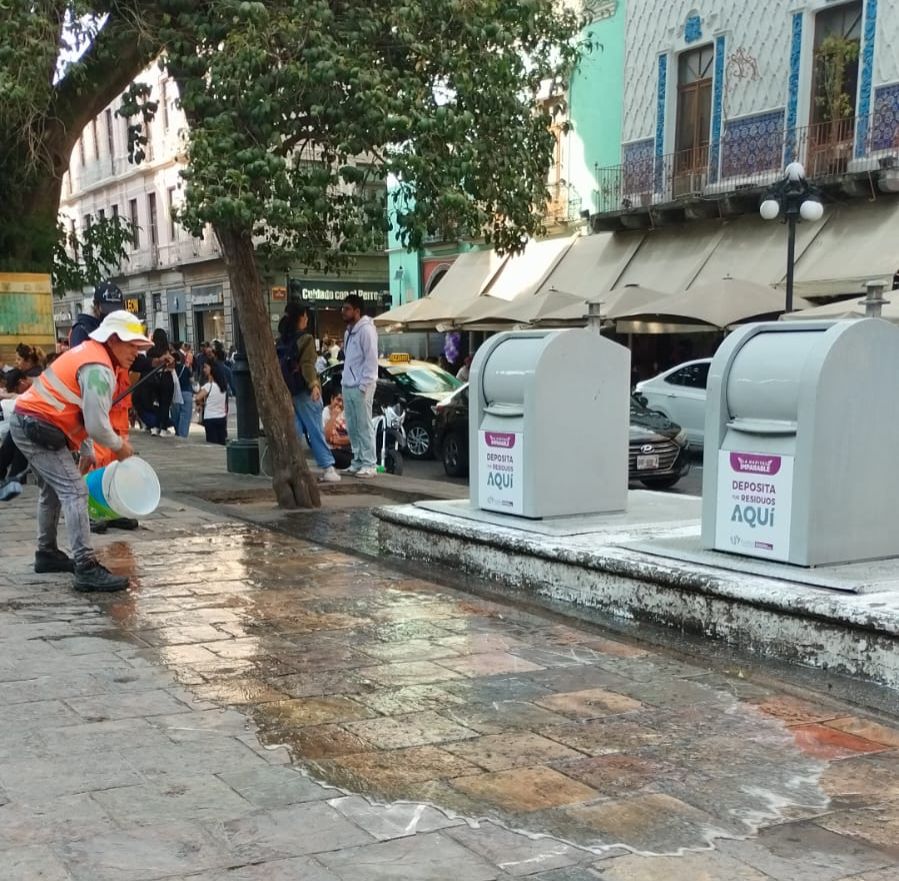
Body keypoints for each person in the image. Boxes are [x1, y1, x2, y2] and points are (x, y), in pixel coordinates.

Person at [9, 310, 153, 591]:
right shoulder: (99, 368)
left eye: (138, 346)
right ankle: (85, 566)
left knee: (53, 489)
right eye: (131, 345)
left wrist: (86, 448)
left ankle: (47, 553)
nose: (136, 352)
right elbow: (98, 425)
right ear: (112, 339)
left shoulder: (91, 354)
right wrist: (120, 447)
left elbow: (78, 409)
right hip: (35, 426)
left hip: (31, 421)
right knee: (75, 490)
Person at [277, 302, 340, 483]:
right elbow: (307, 365)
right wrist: (313, 385)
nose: (307, 319)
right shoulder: (306, 339)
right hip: (305, 390)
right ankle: (327, 466)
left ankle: (293, 466)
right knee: (315, 429)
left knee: (295, 429)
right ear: (301, 318)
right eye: (305, 316)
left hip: (290, 390)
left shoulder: (283, 339)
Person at [340, 294, 379, 478]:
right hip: (348, 384)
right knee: (353, 425)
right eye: (343, 308)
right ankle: (357, 460)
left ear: (357, 311)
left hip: (361, 385)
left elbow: (371, 359)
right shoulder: (349, 332)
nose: (343, 311)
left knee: (364, 424)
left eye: (347, 308)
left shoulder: (366, 330)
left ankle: (369, 463)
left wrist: (364, 384)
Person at [194, 357, 229, 444]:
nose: (204, 369)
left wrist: (202, 404)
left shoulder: (208, 386)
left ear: (211, 369)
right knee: (221, 443)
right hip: (221, 417)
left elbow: (197, 397)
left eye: (206, 367)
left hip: (210, 418)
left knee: (212, 443)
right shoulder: (223, 386)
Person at [322, 391, 352, 470]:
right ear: (332, 399)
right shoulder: (325, 413)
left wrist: (338, 441)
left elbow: (353, 438)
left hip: (346, 451)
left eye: (343, 401)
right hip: (331, 451)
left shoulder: (346, 414)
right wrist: (333, 416)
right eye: (338, 400)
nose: (340, 404)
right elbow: (326, 437)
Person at [170, 346, 194, 438]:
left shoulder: (171, 369)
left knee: (175, 415)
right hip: (187, 393)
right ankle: (183, 435)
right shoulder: (186, 368)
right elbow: (192, 381)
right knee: (185, 416)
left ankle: (178, 432)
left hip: (175, 394)